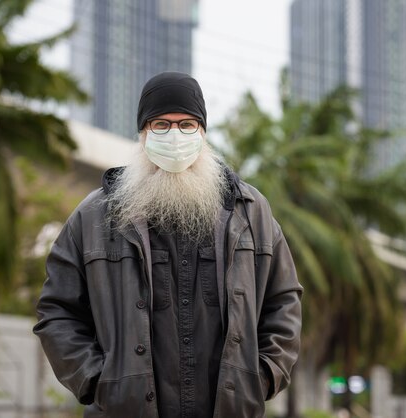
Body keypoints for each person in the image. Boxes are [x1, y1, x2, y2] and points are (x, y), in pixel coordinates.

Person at [33, 71, 303, 418]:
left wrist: (261, 377)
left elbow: (284, 302)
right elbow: (56, 311)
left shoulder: (250, 213)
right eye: (160, 124)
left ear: (203, 133)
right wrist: (98, 382)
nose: (174, 135)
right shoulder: (94, 216)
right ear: (143, 134)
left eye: (187, 124)